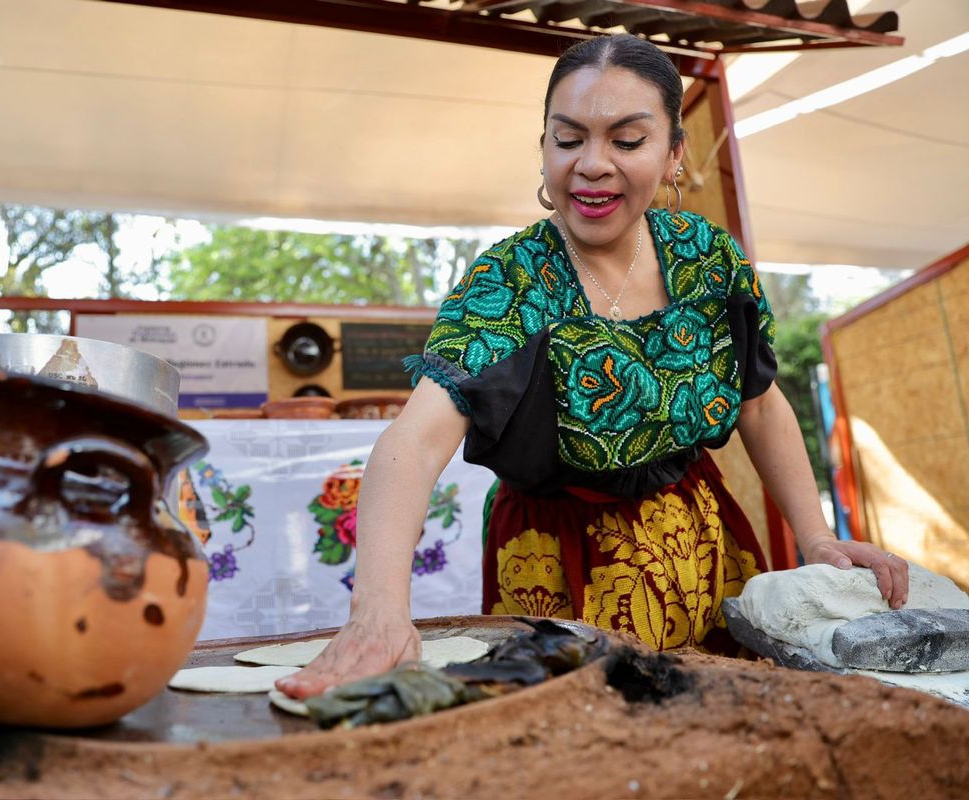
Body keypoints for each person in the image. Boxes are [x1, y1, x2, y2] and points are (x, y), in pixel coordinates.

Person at [277, 34, 907, 699]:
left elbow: (758, 402)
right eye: (568, 139)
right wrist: (379, 611)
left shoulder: (709, 259)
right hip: (559, 574)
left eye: (627, 142)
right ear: (543, 147)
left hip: (705, 551)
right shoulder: (511, 281)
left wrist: (815, 537)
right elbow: (416, 437)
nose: (592, 165)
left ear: (673, 154)